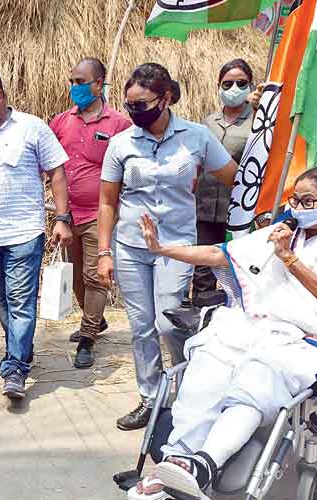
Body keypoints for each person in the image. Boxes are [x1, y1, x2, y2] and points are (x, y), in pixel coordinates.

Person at [127, 167, 317, 500]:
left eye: (307, 201)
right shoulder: (288, 228)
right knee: (209, 361)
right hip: (255, 323)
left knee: (257, 378)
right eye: (294, 199)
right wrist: (162, 249)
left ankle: (206, 463)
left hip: (310, 336)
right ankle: (178, 460)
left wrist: (288, 257)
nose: (296, 207)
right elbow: (220, 254)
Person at [96, 63, 238, 430]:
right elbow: (108, 202)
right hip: (129, 246)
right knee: (141, 325)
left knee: (167, 321)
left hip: (175, 245)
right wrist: (103, 252)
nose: (135, 112)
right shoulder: (121, 143)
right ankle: (151, 397)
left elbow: (234, 176)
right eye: (130, 105)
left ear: (166, 98)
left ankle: (188, 383)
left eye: (142, 104)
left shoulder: (197, 136)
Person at [0, 68, 73, 400]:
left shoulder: (32, 128)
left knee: (20, 302)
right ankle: (18, 350)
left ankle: (16, 369)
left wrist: (62, 218)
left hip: (24, 232)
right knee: (1, 301)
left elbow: (57, 173)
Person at [49, 57, 131, 368]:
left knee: (95, 276)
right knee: (77, 278)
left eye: (80, 81)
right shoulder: (61, 122)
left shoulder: (119, 124)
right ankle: (96, 320)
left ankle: (87, 337)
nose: (74, 87)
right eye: (72, 81)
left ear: (99, 84)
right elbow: (49, 161)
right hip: (67, 216)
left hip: (102, 214)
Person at [195, 59, 255, 296]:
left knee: (240, 266)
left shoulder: (258, 123)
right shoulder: (209, 121)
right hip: (206, 206)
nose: (234, 89)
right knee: (203, 267)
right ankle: (202, 317)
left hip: (241, 208)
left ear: (250, 85)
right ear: (218, 86)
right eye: (228, 83)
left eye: (241, 83)